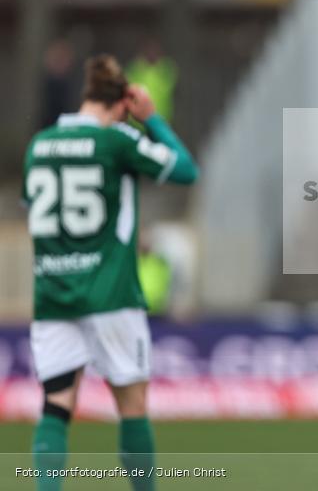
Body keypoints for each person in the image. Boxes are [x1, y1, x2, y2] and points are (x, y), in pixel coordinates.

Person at [22, 54, 198, 491]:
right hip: (110, 293)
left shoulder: (39, 145)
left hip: (54, 295)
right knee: (132, 406)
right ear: (122, 102)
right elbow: (185, 170)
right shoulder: (117, 139)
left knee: (57, 405)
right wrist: (152, 120)